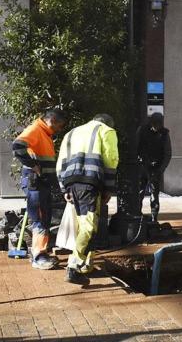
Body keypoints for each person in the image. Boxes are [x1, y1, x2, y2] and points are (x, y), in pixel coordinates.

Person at [57, 114, 119, 285]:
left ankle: (86, 265)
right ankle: (74, 266)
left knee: (82, 224)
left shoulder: (70, 133)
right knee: (89, 225)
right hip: (90, 183)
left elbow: (60, 162)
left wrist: (64, 188)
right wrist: (109, 188)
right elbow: (111, 160)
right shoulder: (106, 130)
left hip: (71, 183)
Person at [12, 109, 66, 270]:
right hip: (36, 183)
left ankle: (41, 253)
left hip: (41, 183)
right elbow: (17, 145)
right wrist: (33, 165)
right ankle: (39, 256)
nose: (60, 129)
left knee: (43, 218)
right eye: (60, 125)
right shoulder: (36, 129)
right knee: (40, 219)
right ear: (52, 120)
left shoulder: (44, 133)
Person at [136, 112, 171, 225]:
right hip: (142, 167)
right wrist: (139, 163)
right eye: (155, 123)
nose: (157, 126)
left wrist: (160, 169)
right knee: (139, 192)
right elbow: (135, 147)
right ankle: (137, 215)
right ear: (151, 122)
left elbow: (167, 153)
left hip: (156, 168)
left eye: (159, 124)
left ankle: (154, 218)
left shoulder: (165, 134)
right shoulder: (142, 130)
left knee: (154, 195)